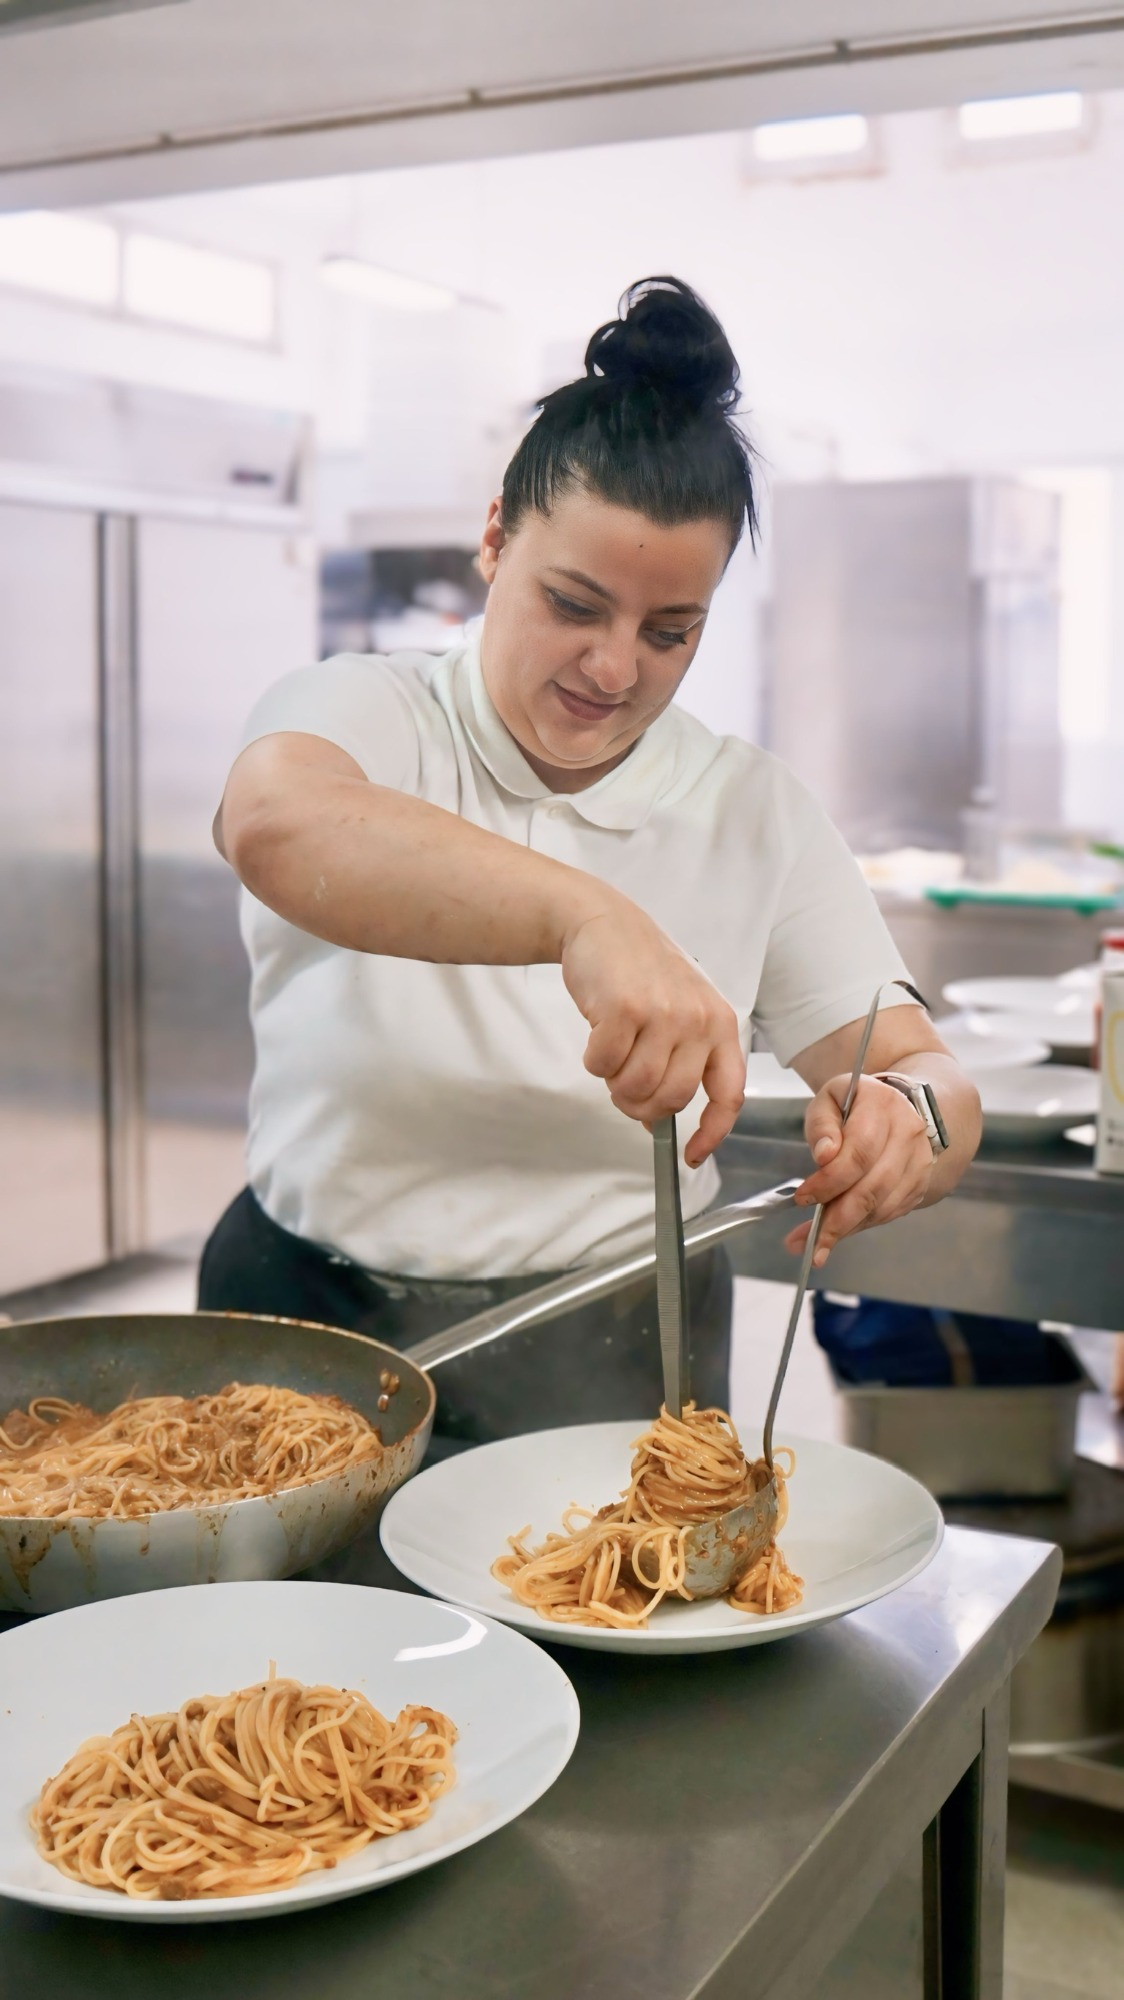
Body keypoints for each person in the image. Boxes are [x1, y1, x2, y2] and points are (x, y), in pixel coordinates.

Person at [202, 275, 981, 1449]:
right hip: (311, 1326)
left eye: (670, 631)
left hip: (615, 1341)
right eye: (573, 604)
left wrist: (909, 1119)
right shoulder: (369, 711)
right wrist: (586, 917)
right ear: (493, 538)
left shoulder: (748, 809)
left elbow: (924, 1070)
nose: (614, 669)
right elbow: (277, 824)